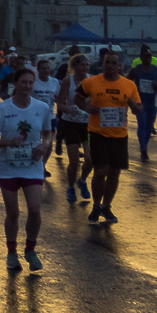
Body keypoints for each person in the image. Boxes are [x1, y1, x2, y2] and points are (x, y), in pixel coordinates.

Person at [0, 67, 54, 271]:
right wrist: (9, 142)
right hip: (8, 167)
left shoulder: (42, 108)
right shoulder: (3, 109)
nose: (27, 86)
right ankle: (11, 252)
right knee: (13, 213)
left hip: (32, 165)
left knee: (34, 210)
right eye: (23, 82)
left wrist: (44, 145)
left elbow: (48, 134)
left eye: (30, 83)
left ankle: (31, 250)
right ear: (15, 84)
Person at [78, 51, 142, 226]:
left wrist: (133, 106)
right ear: (102, 63)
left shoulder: (129, 85)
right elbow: (78, 97)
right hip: (98, 133)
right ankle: (96, 206)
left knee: (115, 172)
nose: (111, 66)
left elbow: (139, 109)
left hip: (120, 135)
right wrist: (86, 106)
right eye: (108, 62)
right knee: (100, 171)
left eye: (114, 63)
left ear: (119, 66)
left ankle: (106, 206)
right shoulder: (91, 82)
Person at [57, 54, 93, 204]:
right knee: (74, 162)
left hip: (88, 123)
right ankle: (71, 187)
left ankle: (82, 180)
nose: (85, 68)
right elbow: (59, 104)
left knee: (90, 159)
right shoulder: (68, 81)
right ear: (75, 66)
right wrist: (68, 109)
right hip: (70, 123)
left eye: (87, 65)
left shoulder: (92, 80)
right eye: (82, 65)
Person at [127, 51, 157, 160]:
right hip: (140, 102)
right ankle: (143, 148)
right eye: (145, 56)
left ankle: (145, 145)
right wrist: (134, 87)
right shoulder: (135, 70)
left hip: (153, 103)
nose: (147, 59)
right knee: (142, 124)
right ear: (141, 57)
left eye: (149, 56)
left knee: (148, 125)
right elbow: (126, 82)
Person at [31, 59, 60, 178]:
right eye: (43, 68)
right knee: (35, 142)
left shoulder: (54, 82)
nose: (46, 70)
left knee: (48, 144)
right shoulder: (34, 82)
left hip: (50, 117)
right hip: (34, 117)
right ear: (38, 70)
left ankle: (42, 166)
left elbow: (58, 98)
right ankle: (34, 164)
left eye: (48, 68)